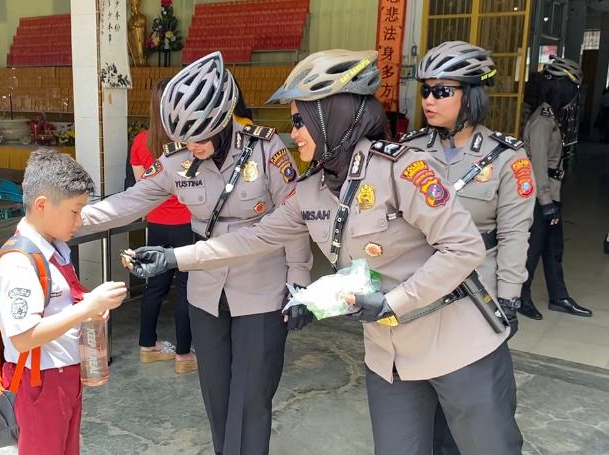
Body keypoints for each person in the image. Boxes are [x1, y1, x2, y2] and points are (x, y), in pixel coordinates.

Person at [125, 49, 523, 455]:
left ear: (331, 117)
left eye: (300, 121)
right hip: (389, 358)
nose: (292, 132)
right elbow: (255, 238)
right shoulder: (314, 188)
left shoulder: (401, 168)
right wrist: (175, 259)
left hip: (457, 344)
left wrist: (391, 303)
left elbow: (464, 248)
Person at [82, 51, 312, 454]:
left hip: (261, 287)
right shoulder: (178, 159)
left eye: (202, 135)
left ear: (224, 118)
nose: (194, 146)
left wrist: (299, 282)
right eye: (186, 137)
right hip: (205, 289)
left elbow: (292, 220)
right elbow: (131, 201)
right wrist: (73, 218)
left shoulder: (265, 148)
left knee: (252, 395)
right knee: (217, 393)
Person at [402, 40, 535, 455]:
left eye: (443, 91)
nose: (430, 99)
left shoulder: (506, 158)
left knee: (481, 414)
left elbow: (514, 235)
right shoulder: (409, 151)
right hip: (419, 298)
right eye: (426, 90)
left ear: (471, 95)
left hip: (476, 299)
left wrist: (509, 298)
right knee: (424, 413)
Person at [0, 150, 128, 455]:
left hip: (63, 373)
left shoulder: (54, 249)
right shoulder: (19, 262)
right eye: (75, 211)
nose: (80, 220)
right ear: (42, 205)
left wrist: (90, 303)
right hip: (38, 382)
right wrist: (86, 308)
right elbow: (24, 337)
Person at [130, 78, 196, 374]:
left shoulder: (141, 141)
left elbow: (140, 188)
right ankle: (184, 356)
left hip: (155, 224)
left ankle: (148, 347)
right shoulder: (189, 145)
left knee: (154, 286)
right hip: (186, 225)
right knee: (185, 288)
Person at [519, 57, 592, 320]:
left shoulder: (551, 116)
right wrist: (547, 203)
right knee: (533, 248)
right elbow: (537, 166)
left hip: (551, 193)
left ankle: (559, 297)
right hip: (541, 196)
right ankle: (519, 297)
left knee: (553, 247)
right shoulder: (542, 120)